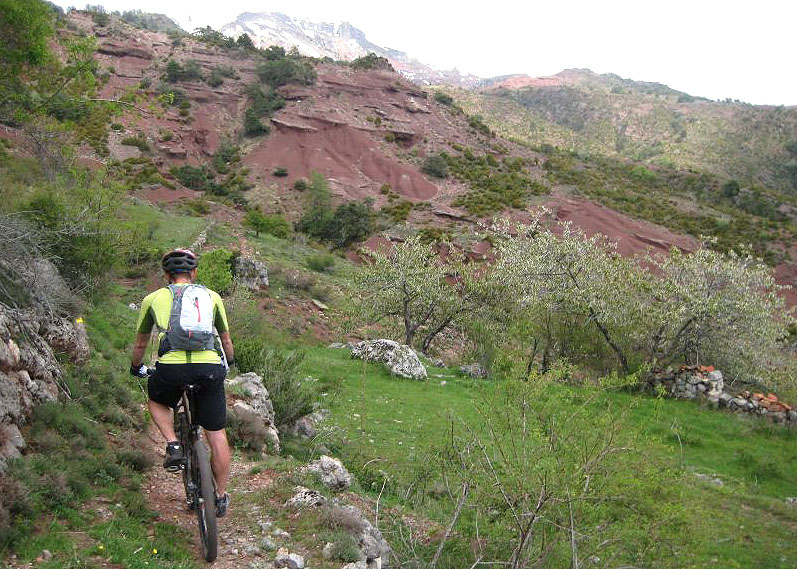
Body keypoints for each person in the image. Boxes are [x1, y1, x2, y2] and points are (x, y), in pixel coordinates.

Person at [130, 249, 235, 517]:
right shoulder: (212, 297)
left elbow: (142, 342)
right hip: (209, 368)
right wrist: (229, 362)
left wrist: (136, 367)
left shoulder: (152, 299)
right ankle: (220, 496)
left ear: (166, 275)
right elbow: (225, 340)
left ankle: (173, 443)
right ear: (194, 273)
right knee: (217, 434)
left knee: (156, 401)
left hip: (172, 370)